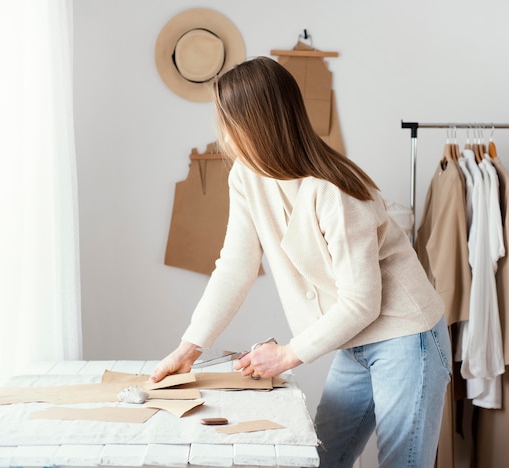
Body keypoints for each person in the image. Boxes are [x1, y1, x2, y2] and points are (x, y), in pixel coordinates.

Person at [150, 56, 452, 468]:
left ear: (253, 123)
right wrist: (190, 348)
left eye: (226, 122)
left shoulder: (334, 191)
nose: (221, 134)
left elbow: (363, 301)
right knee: (321, 460)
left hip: (405, 335)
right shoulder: (246, 176)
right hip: (353, 341)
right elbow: (236, 265)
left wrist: (289, 354)